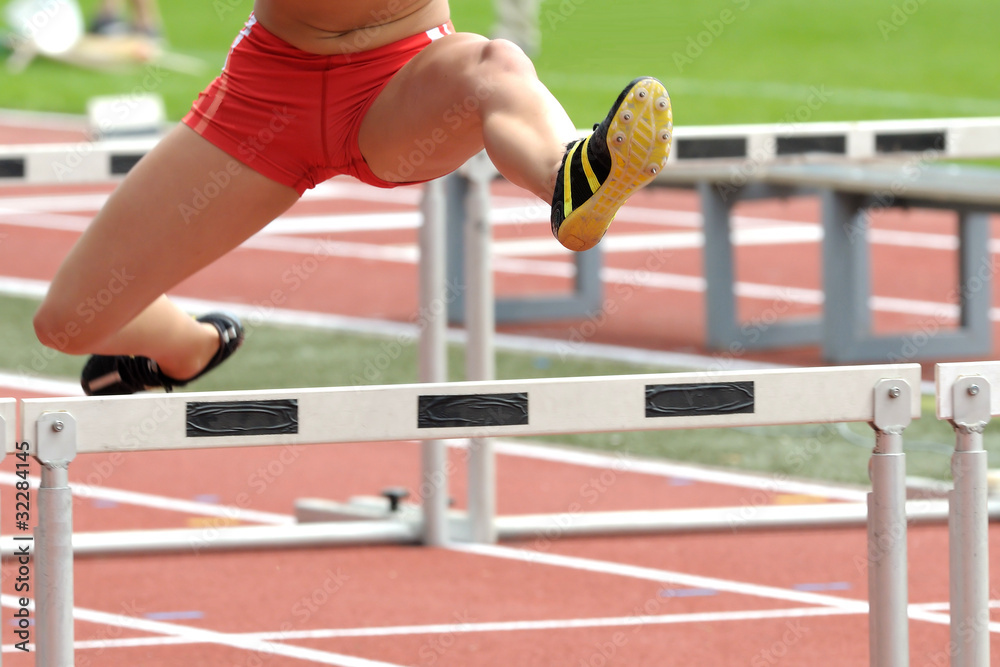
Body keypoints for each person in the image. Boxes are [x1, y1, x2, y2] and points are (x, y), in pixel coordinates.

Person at [32, 0, 673, 396]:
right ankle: (187, 346)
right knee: (67, 321)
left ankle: (572, 174)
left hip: (401, 84)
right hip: (263, 101)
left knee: (494, 68)